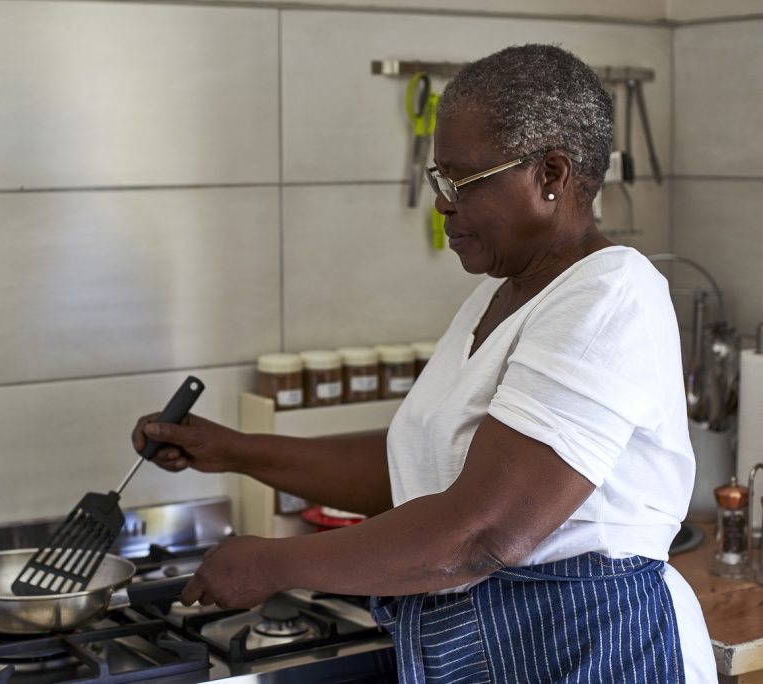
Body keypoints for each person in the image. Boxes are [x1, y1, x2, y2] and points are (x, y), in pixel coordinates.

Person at [132, 44, 714, 682]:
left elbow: (480, 532)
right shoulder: (499, 297)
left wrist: (275, 563)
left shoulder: (609, 293)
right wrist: (233, 450)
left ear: (551, 175)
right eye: (441, 179)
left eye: (462, 182)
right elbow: (414, 474)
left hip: (594, 653)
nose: (442, 203)